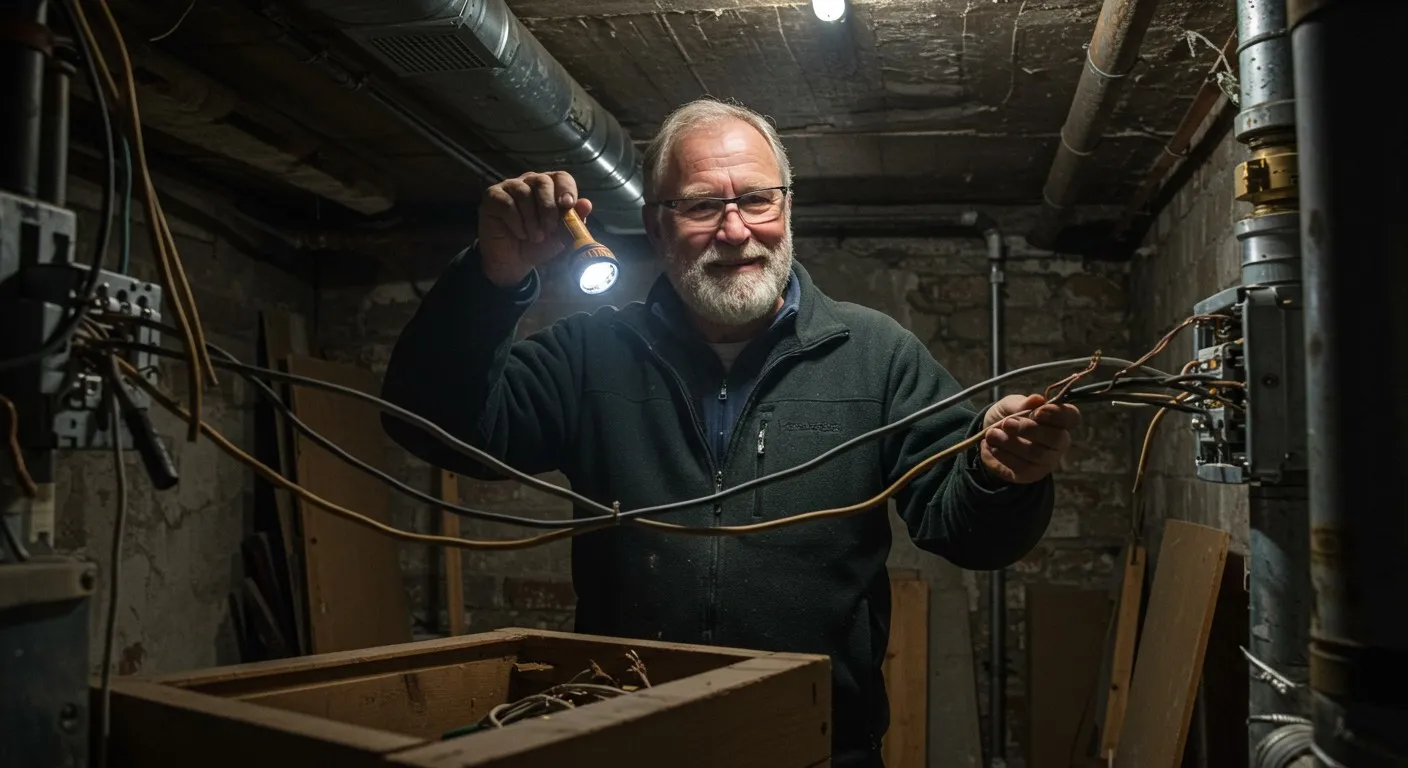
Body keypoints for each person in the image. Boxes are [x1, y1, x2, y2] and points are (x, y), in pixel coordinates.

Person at [381, 98, 1080, 767]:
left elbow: (967, 533)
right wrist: (492, 277)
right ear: (657, 225)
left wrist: (1003, 473)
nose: (736, 229)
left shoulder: (876, 354)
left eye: (755, 198)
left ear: (787, 208)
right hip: (628, 741)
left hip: (818, 744)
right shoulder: (591, 353)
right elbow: (434, 425)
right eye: (702, 205)